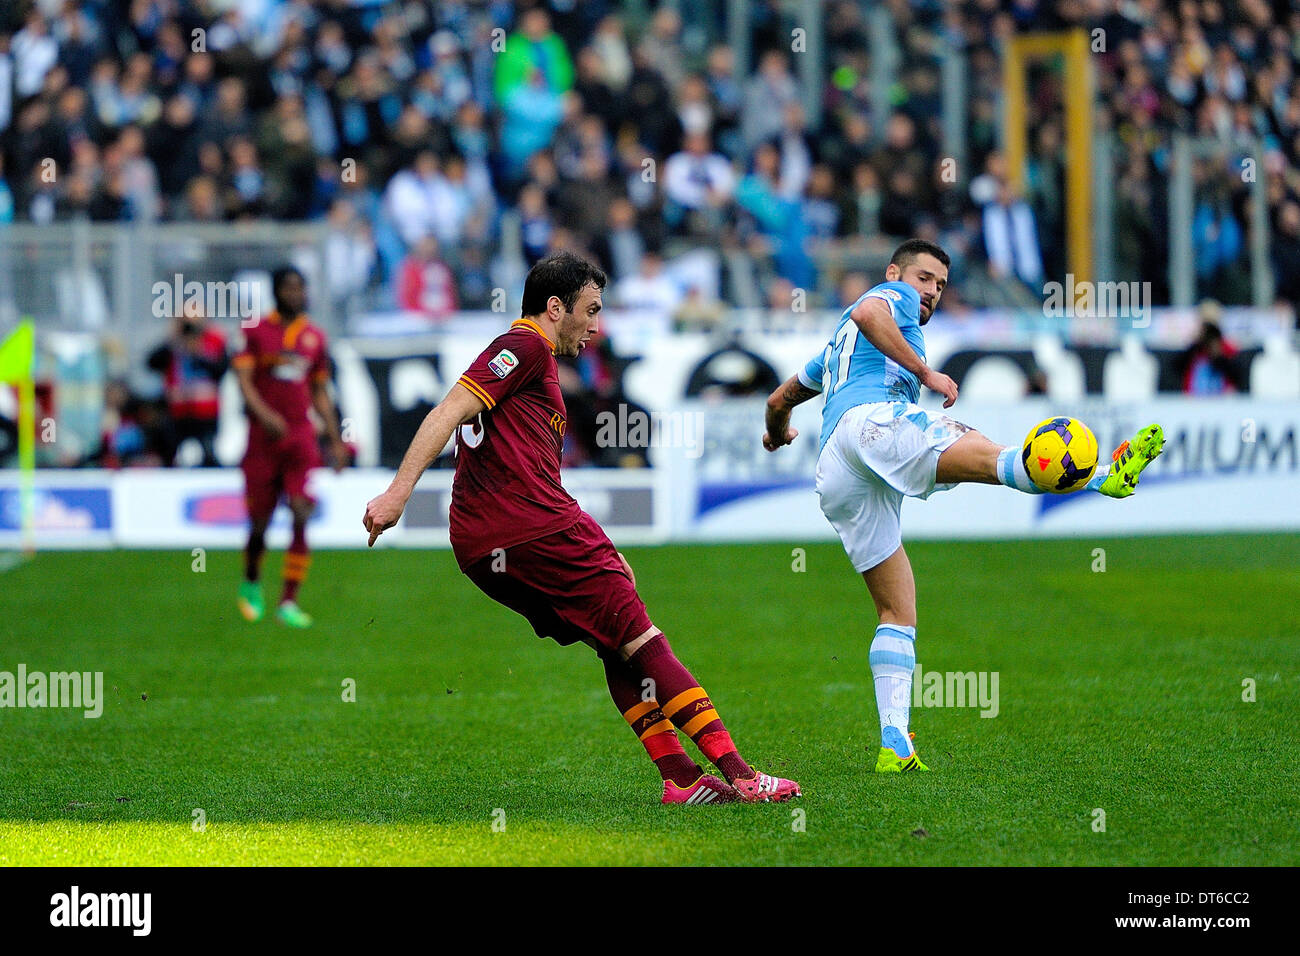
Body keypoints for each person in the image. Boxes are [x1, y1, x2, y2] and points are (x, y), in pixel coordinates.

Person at [363, 252, 800, 805]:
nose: (596, 325)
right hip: (529, 526)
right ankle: (742, 775)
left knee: (615, 639)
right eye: (590, 310)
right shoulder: (522, 346)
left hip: (484, 543)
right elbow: (446, 411)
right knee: (640, 635)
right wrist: (399, 491)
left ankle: (683, 780)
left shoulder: (531, 360)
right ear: (554, 307)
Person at [762, 238, 1165, 773]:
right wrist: (927, 375)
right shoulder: (890, 300)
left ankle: (894, 745)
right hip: (872, 425)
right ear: (895, 273)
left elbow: (778, 400)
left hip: (836, 470)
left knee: (897, 609)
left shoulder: (836, 348)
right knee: (994, 458)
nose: (930, 292)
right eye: (923, 278)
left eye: (940, 286)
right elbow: (866, 308)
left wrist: (776, 434)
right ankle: (1100, 479)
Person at [233, 267, 348, 629]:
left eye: (301, 287)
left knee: (300, 511)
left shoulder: (314, 337)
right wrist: (265, 415)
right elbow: (244, 381)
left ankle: (289, 601)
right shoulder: (254, 331)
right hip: (262, 441)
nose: (296, 294)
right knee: (260, 523)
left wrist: (334, 439)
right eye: (289, 287)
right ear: (276, 291)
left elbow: (319, 393)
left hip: (300, 437)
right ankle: (252, 581)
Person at [147, 307, 228, 467]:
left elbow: (221, 370)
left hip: (206, 411)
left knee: (209, 454)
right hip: (177, 410)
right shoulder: (173, 343)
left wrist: (198, 353)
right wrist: (172, 341)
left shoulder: (214, 340)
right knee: (169, 454)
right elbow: (152, 363)